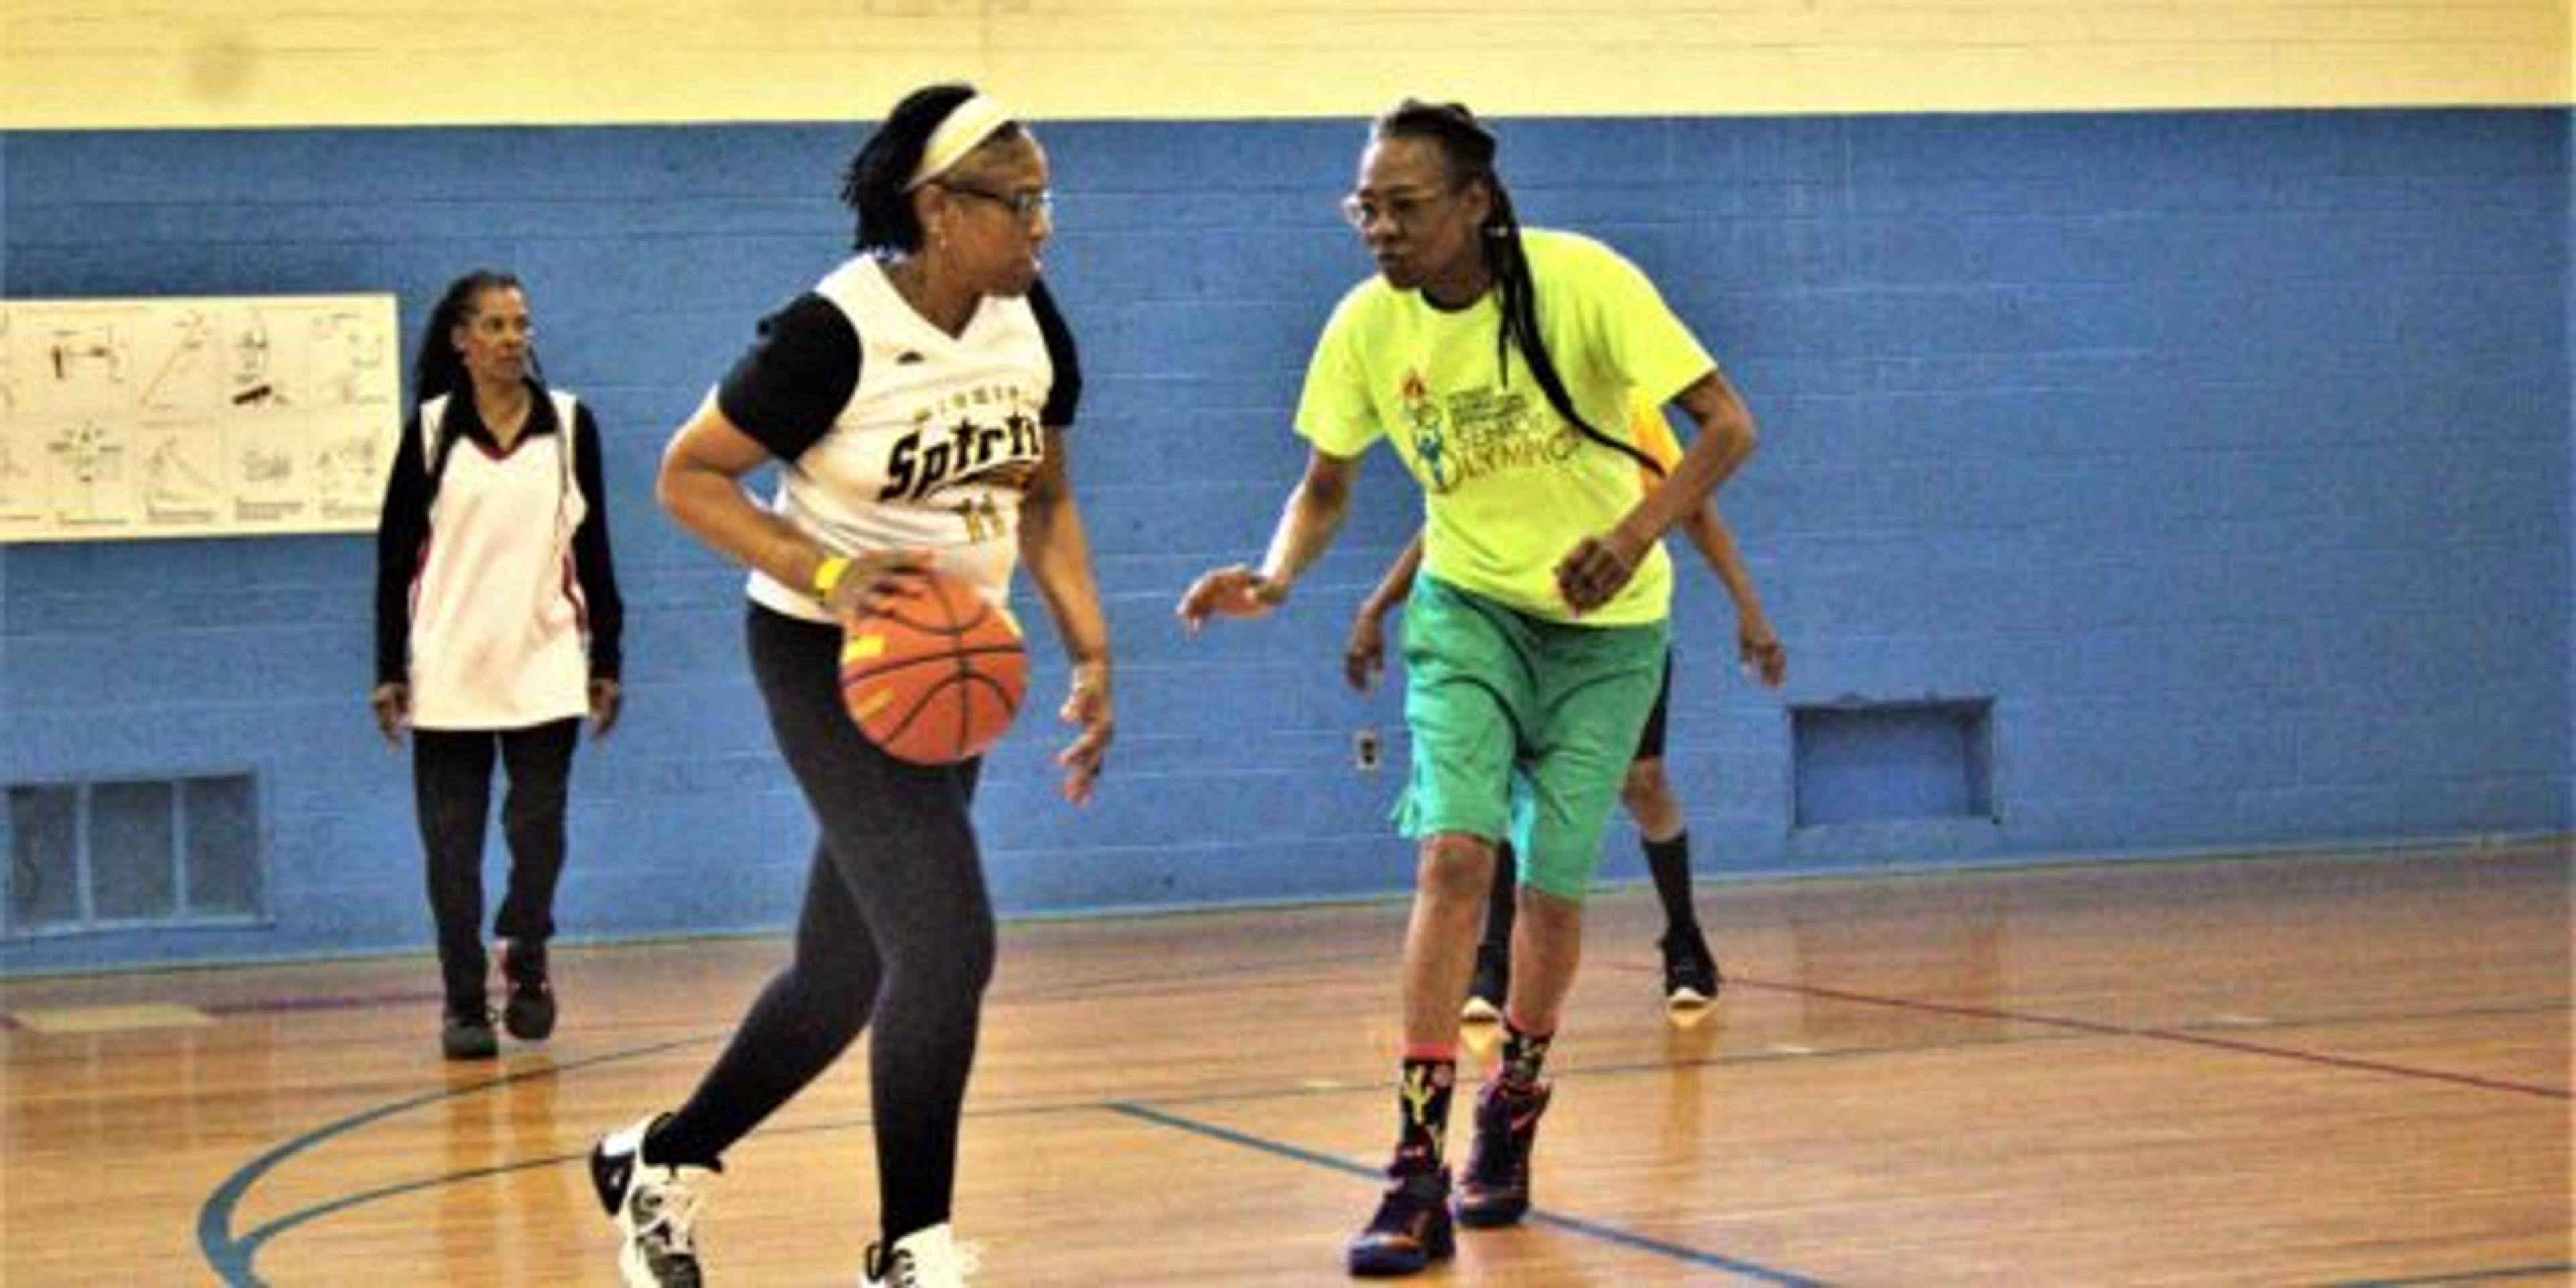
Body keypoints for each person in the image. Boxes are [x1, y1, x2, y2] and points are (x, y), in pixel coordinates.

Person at [1177, 99, 1758, 1277]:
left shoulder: (1583, 282)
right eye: (1365, 208)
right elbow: (1327, 484)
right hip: (1472, 614)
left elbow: (1727, 428)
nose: (1378, 229)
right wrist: (1277, 572)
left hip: (1608, 633)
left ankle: (1514, 1109)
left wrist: (1638, 532)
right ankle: (1412, 1166)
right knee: (1455, 856)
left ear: (1475, 202)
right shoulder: (1362, 330)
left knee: (1551, 893)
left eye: (1404, 206)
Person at [587, 85, 1113, 1288]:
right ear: (938, 209)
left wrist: (1092, 652)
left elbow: (1049, 499)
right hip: (830, 660)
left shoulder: (1031, 323)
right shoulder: (834, 332)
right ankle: (911, 1249)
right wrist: (826, 569)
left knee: (847, 971)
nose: (1043, 226)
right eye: (1020, 202)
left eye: (1048, 201)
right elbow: (690, 479)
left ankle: (659, 1161)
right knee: (945, 943)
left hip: (952, 665)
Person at [1344, 398, 1788, 1021]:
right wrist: (1376, 606)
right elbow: (1448, 524)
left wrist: (1750, 609)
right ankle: (1492, 958)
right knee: (1486, 787)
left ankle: (1683, 937)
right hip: (1508, 629)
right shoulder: (1506, 402)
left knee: (1643, 780)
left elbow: (1697, 510)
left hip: (1616, 634)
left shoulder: (1627, 409)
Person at [371, 269, 624, 1063]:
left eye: (521, 325)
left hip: (546, 663)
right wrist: (388, 669)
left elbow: (597, 552)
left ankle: (527, 950)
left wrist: (607, 657)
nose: (513, 339)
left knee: (538, 834)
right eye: (495, 326)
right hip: (447, 669)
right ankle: (462, 1003)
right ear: (461, 340)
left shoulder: (573, 426)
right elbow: (392, 562)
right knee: (451, 852)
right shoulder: (431, 431)